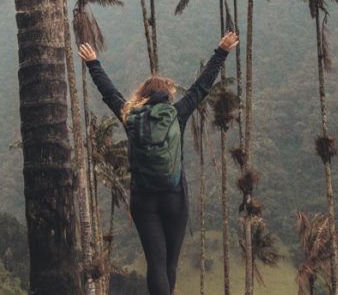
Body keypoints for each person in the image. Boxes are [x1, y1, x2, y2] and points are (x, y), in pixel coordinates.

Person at [78, 31, 239, 295]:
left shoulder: (130, 115)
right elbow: (202, 86)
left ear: (142, 95)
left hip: (143, 199)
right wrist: (221, 52)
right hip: (174, 196)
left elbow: (109, 93)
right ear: (167, 96)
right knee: (170, 264)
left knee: (156, 262)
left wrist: (93, 63)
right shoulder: (177, 113)